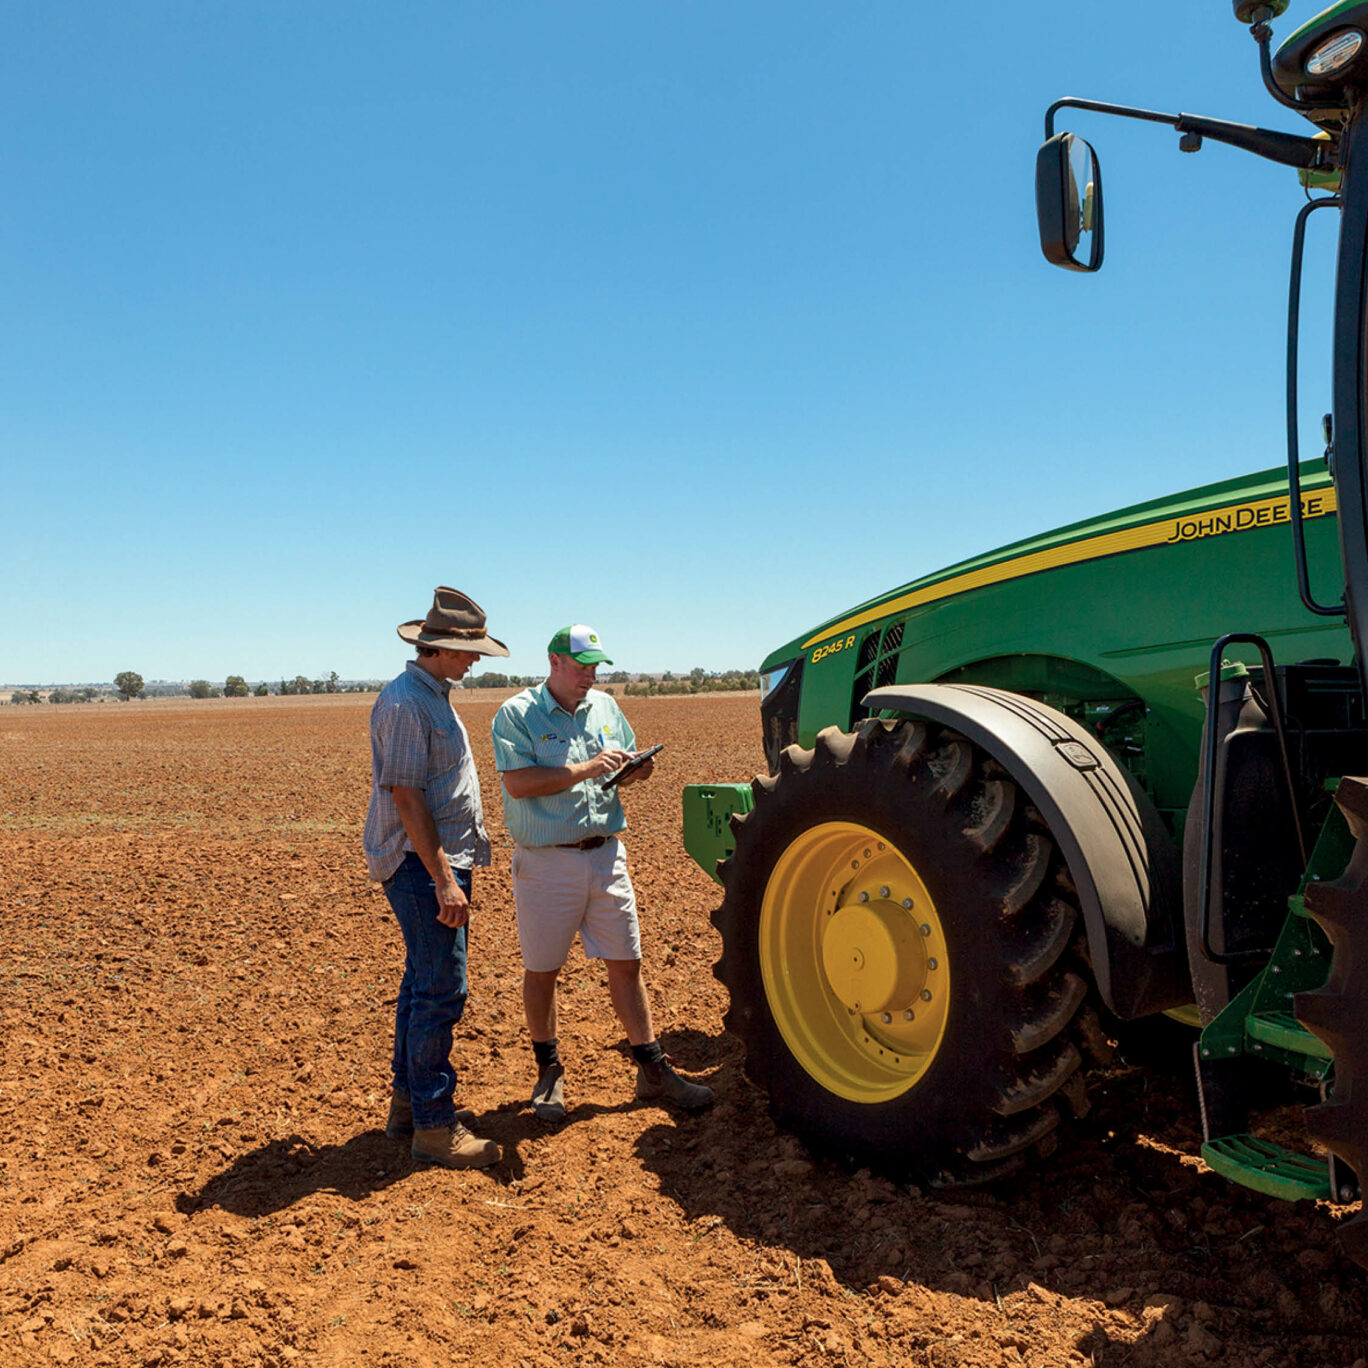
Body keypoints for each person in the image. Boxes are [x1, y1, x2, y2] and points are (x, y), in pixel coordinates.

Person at [491, 624, 714, 1123]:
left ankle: (651, 1069)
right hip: (547, 862)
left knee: (626, 962)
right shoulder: (518, 714)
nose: (590, 674)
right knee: (543, 970)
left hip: (606, 854)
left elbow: (632, 765)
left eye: (595, 666)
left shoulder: (607, 707)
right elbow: (520, 783)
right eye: (581, 666)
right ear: (553, 663)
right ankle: (548, 1071)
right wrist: (590, 768)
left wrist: (636, 769)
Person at [363, 586, 508, 1169]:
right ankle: (433, 1124)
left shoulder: (432, 696)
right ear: (440, 649)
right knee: (443, 989)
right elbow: (406, 798)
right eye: (468, 651)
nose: (474, 660)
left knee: (422, 981)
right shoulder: (405, 704)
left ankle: (408, 1105)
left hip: (436, 862)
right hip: (424, 866)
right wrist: (444, 879)